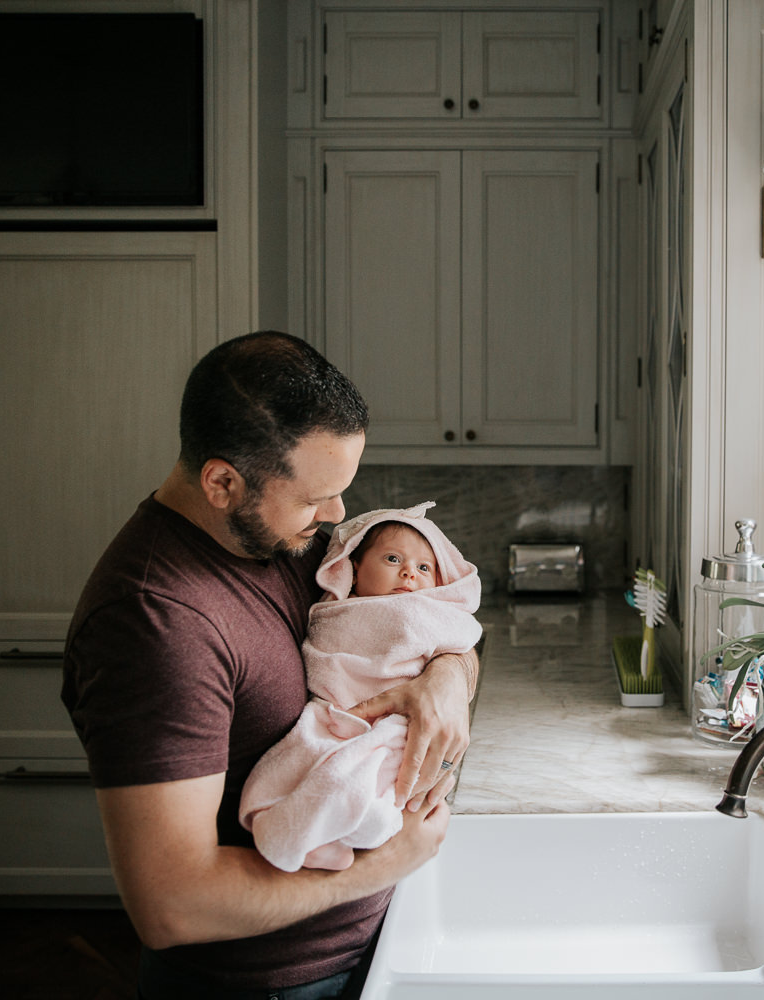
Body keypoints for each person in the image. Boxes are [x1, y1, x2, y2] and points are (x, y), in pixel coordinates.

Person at [61, 331, 477, 1000]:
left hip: (364, 951)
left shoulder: (292, 542)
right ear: (223, 482)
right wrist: (383, 866)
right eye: (317, 496)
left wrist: (443, 683)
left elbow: (432, 626)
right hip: (268, 986)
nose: (338, 515)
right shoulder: (153, 621)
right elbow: (173, 904)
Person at [239, 502, 481, 873]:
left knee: (365, 775)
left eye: (423, 568)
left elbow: (464, 646)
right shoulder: (334, 609)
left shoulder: (425, 611)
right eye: (392, 559)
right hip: (333, 711)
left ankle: (343, 828)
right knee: (300, 760)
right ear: (352, 571)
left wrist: (449, 674)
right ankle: (295, 828)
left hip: (396, 723)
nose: (408, 574)